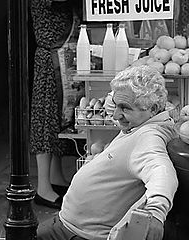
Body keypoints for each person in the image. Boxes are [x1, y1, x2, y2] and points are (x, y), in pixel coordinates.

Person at [37, 65, 179, 240]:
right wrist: (122, 96)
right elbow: (116, 102)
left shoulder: (149, 137)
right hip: (67, 224)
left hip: (78, 234)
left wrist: (156, 213)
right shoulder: (141, 120)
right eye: (117, 105)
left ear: (154, 108)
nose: (116, 114)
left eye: (125, 108)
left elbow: (162, 172)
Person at [30, 0, 82, 209]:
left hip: (64, 55)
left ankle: (55, 177)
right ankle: (43, 188)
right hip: (49, 58)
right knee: (45, 120)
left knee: (60, 119)